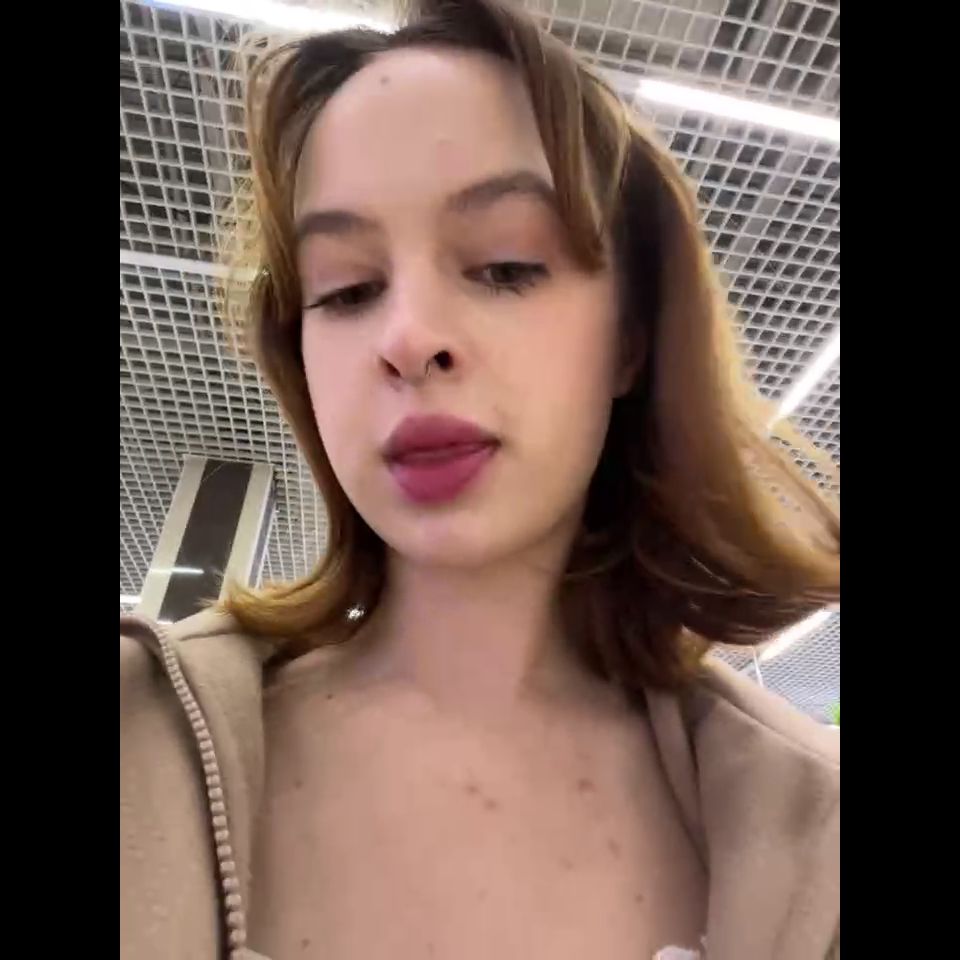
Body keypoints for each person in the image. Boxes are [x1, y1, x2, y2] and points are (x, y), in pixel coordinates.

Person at [120, 1, 840, 957]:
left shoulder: (811, 833)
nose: (409, 337)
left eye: (504, 266)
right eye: (347, 288)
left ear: (631, 339)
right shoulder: (142, 740)